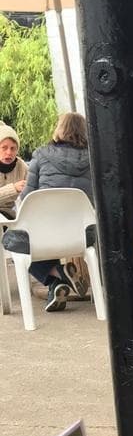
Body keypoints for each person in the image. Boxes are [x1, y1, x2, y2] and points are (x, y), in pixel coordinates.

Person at [3, 112, 92, 313]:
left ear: (60, 129)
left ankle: (58, 274)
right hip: (83, 235)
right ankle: (55, 286)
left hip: (44, 234)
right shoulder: (95, 158)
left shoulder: (41, 156)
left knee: (12, 240)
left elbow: (27, 199)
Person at [0, 122, 28, 219]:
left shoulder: (22, 167)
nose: (9, 152)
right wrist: (14, 189)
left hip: (13, 217)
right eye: (4, 148)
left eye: (13, 148)